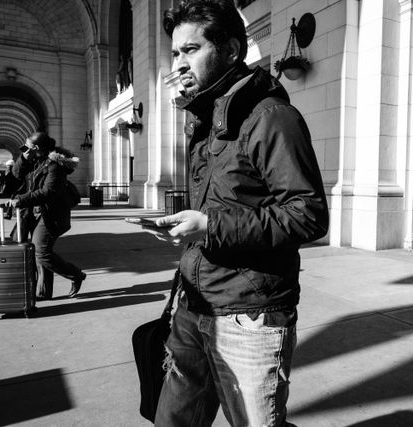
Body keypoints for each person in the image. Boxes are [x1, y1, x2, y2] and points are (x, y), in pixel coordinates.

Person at [143, 2, 329, 426]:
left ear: (229, 50)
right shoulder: (206, 119)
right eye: (175, 54)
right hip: (194, 305)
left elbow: (308, 215)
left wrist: (209, 226)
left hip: (251, 315)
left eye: (191, 50)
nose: (179, 63)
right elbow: (223, 204)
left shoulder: (271, 118)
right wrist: (187, 228)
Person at [6, 132, 86, 300]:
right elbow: (15, 177)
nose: (24, 149)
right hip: (32, 213)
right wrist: (24, 159)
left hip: (50, 214)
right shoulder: (33, 161)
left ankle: (75, 275)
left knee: (41, 252)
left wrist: (21, 200)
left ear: (36, 148)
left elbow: (48, 192)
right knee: (37, 252)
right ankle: (43, 293)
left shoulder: (55, 166)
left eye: (27, 146)